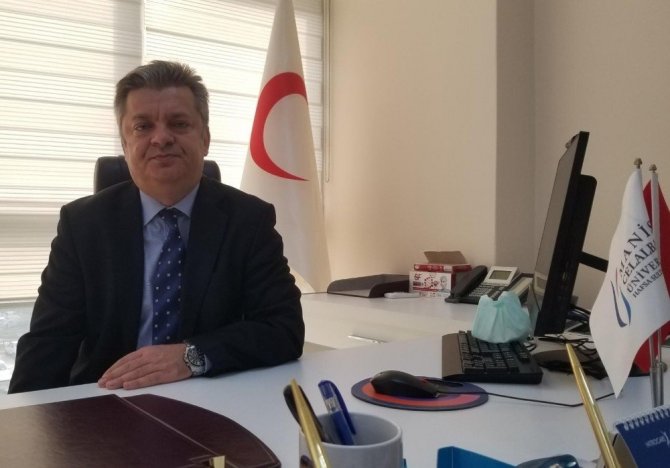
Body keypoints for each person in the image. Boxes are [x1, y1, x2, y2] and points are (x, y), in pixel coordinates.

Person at [8, 60, 304, 393]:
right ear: (125, 145)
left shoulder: (248, 220)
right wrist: (23, 417)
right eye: (143, 126)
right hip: (107, 398)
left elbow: (284, 328)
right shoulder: (82, 225)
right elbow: (48, 342)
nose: (161, 138)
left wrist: (191, 356)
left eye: (179, 124)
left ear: (205, 139)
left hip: (213, 396)